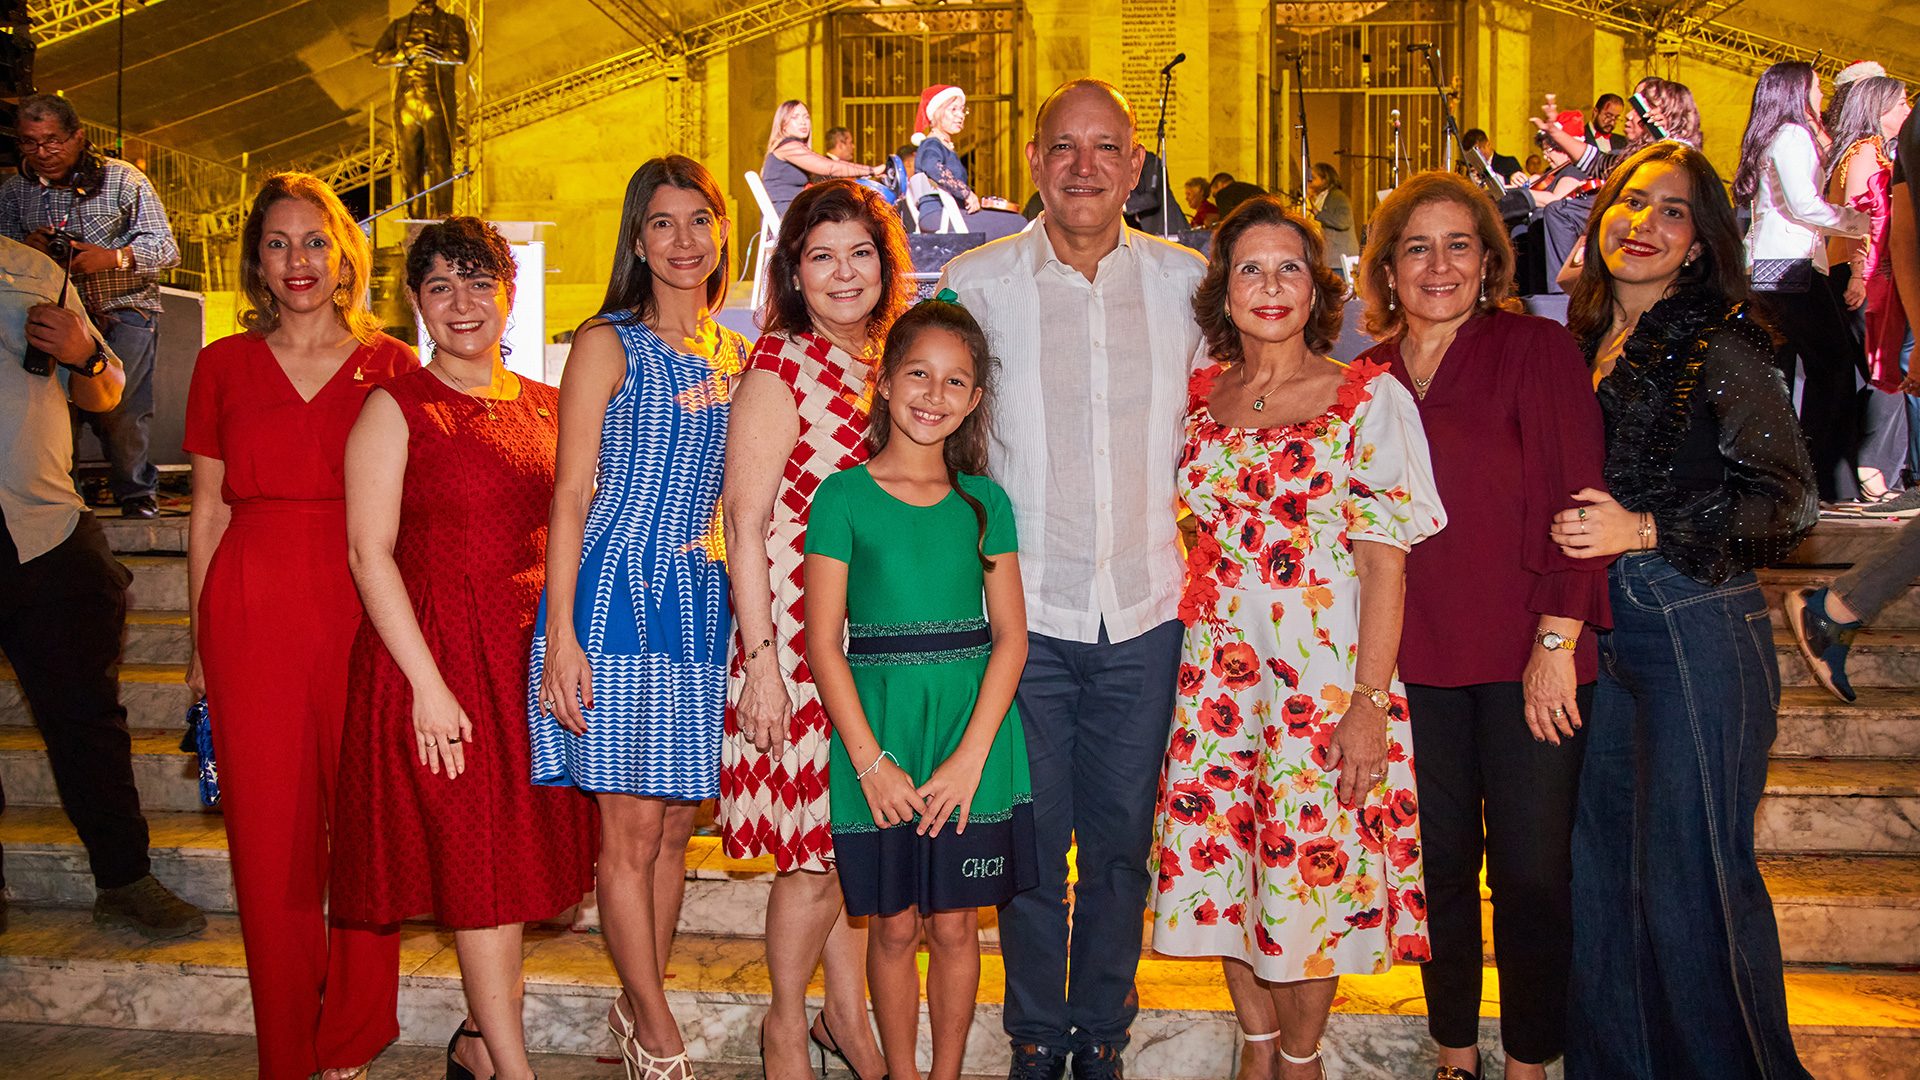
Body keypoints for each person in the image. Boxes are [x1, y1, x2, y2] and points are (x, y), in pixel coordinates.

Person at [938, 77, 1208, 1080]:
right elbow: (938, 443)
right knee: (1028, 847)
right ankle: (1035, 1039)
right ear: (1035, 162)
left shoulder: (1188, 285)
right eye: (1064, 147)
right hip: (1025, 619)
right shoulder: (977, 283)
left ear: (1136, 167)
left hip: (1145, 611)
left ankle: (1102, 1035)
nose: (1084, 167)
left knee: (1121, 849)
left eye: (1106, 149)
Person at [1149, 195, 1443, 1080]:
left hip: (1324, 668)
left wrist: (1366, 705)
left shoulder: (1367, 397)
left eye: (1288, 269)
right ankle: (1257, 1043)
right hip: (1217, 670)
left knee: (1314, 870)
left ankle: (1305, 1057)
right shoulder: (1202, 397)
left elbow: (1387, 565)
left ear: (1318, 289)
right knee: (1225, 863)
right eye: (1249, 268)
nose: (1269, 286)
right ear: (1223, 291)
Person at [1554, 141, 1817, 1078]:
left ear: (1700, 243)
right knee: (1602, 885)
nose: (1646, 224)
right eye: (1633, 201)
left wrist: (1648, 528)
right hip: (1600, 635)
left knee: (1690, 886)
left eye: (1673, 212)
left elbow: (1786, 502)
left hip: (1696, 622)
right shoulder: (1583, 343)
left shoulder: (1722, 340)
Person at [1354, 172, 1610, 1080]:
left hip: (1525, 657)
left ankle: (1532, 1060)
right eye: (1415, 247)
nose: (1438, 264)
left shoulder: (1534, 350)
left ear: (1490, 260)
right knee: (1437, 873)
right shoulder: (1363, 376)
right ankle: (1455, 1054)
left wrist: (1557, 644)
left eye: (1459, 244)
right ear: (1385, 266)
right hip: (1409, 661)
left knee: (1535, 877)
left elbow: (1579, 501)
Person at [333, 218, 600, 1080]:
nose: (462, 303)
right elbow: (368, 553)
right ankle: (513, 1069)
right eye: (440, 285)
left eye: (479, 281)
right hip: (440, 658)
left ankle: (482, 1047)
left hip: (527, 659)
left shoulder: (549, 404)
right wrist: (427, 685)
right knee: (482, 868)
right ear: (415, 303)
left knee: (514, 867)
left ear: (509, 294)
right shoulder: (396, 405)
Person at [183, 173, 417, 1080]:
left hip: (367, 605)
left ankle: (353, 1035)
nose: (298, 261)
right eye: (278, 244)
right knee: (270, 840)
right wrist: (202, 647)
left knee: (366, 830)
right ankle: (286, 1047)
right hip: (252, 609)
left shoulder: (393, 364)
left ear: (346, 255)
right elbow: (206, 511)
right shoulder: (221, 364)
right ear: (257, 263)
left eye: (315, 241)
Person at [527, 156, 746, 1080]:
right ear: (637, 238)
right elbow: (570, 494)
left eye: (700, 219)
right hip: (615, 593)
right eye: (663, 222)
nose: (685, 239)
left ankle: (636, 999)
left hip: (701, 603)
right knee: (626, 828)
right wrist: (563, 636)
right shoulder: (606, 342)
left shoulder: (734, 351)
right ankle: (656, 1029)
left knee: (670, 828)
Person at [806, 296, 1037, 1080]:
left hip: (970, 738)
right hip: (880, 738)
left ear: (974, 400)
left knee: (956, 927)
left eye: (954, 382)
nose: (933, 395)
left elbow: (1012, 638)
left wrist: (972, 759)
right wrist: (871, 763)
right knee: (894, 928)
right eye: (918, 374)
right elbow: (822, 641)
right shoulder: (841, 497)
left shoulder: (986, 502)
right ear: (884, 380)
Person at [719, 179, 912, 1080]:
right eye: (822, 256)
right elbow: (743, 522)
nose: (844, 273)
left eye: (860, 253)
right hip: (794, 641)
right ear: (794, 271)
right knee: (814, 855)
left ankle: (846, 1020)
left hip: (878, 639)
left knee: (845, 847)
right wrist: (762, 665)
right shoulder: (780, 365)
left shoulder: (894, 361)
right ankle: (785, 1027)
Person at [0, 233, 203, 940]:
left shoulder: (33, 270)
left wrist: (83, 352)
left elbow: (106, 389)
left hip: (46, 528)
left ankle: (124, 878)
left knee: (89, 722)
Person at [1789, 107, 1920, 700]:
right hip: (1794, 269)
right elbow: (1905, 231)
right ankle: (1837, 607)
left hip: (1799, 268)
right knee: (1829, 382)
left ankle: (1838, 607)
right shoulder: (1898, 136)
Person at [0, 94, 180, 520]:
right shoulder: (12, 192)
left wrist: (111, 257)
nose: (42, 153)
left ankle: (136, 493)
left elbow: (166, 248)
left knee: (121, 409)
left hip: (123, 307)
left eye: (53, 141)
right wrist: (28, 249)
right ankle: (66, 500)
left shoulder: (124, 180)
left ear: (78, 137)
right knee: (54, 409)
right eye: (30, 143)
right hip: (48, 314)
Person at [1735, 61, 1872, 504]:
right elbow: (1805, 205)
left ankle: (1798, 481)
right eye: (1815, 87)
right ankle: (1817, 476)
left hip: (1771, 265)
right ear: (1797, 91)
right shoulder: (1792, 134)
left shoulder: (1774, 134)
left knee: (1787, 372)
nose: (1821, 95)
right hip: (1789, 265)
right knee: (1831, 368)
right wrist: (1861, 221)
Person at [1823, 76, 1914, 506]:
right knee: (1884, 373)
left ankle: (1871, 468)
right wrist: (1860, 274)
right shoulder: (1863, 152)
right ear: (1878, 108)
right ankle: (1872, 470)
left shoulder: (1874, 151)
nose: (1907, 112)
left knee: (1878, 373)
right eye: (1900, 103)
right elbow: (1858, 216)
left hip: (1876, 272)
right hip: (1868, 273)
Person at [371, 0, 470, 218]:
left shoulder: (451, 22)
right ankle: (414, 222)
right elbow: (378, 56)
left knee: (440, 160)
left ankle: (443, 219)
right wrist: (408, 53)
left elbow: (460, 54)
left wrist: (434, 53)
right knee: (409, 164)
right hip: (407, 102)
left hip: (435, 99)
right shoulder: (400, 25)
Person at [911, 84, 1026, 240]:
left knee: (1014, 220)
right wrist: (966, 193)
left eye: (962, 109)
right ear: (936, 114)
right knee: (1017, 223)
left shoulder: (944, 145)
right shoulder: (931, 144)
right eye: (953, 110)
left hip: (950, 213)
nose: (960, 115)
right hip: (939, 214)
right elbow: (932, 167)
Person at [761, 101, 886, 217]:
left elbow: (829, 164)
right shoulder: (787, 147)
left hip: (796, 211)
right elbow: (829, 167)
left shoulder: (794, 147)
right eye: (795, 117)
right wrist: (871, 170)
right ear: (783, 125)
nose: (803, 122)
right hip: (785, 215)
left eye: (806, 117)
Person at [1307, 162, 1358, 262]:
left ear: (1325, 179)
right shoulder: (1321, 197)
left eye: (1313, 178)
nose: (1310, 181)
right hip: (1329, 258)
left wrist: (1318, 214)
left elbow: (1343, 221)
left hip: (1338, 258)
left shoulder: (1338, 197)